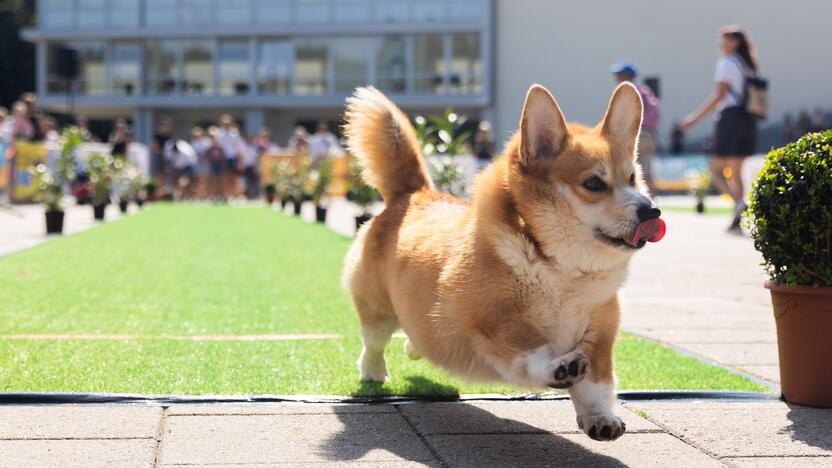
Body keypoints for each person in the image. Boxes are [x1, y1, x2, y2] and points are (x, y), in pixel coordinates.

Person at [680, 25, 760, 232]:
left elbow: (719, 95)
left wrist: (694, 118)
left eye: (725, 40)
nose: (721, 45)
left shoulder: (726, 63)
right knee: (736, 173)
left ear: (735, 42)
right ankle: (739, 214)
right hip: (747, 120)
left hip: (730, 119)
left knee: (715, 170)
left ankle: (739, 203)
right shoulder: (747, 64)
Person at [609, 60, 660, 195]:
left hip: (631, 136)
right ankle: (653, 203)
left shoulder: (626, 91)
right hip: (649, 135)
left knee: (628, 172)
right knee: (646, 173)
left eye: (619, 74)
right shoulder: (644, 90)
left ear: (626, 75)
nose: (617, 77)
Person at [216, 114, 244, 198]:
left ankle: (233, 194)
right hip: (222, 158)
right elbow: (217, 146)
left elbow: (238, 147)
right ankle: (225, 194)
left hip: (232, 157)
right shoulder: (219, 134)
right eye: (224, 123)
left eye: (228, 123)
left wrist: (240, 160)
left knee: (233, 177)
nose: (226, 125)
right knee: (223, 176)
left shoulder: (234, 133)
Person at [151, 116, 173, 191]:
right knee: (158, 176)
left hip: (166, 159)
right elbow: (154, 149)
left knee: (166, 176)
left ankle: (163, 192)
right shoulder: (157, 136)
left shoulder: (169, 137)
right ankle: (158, 191)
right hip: (158, 158)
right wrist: (162, 152)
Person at [205, 132, 225, 201]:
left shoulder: (220, 148)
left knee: (220, 181)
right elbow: (207, 157)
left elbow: (223, 158)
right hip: (213, 165)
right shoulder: (210, 148)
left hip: (219, 165)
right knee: (213, 181)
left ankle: (221, 195)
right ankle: (213, 195)